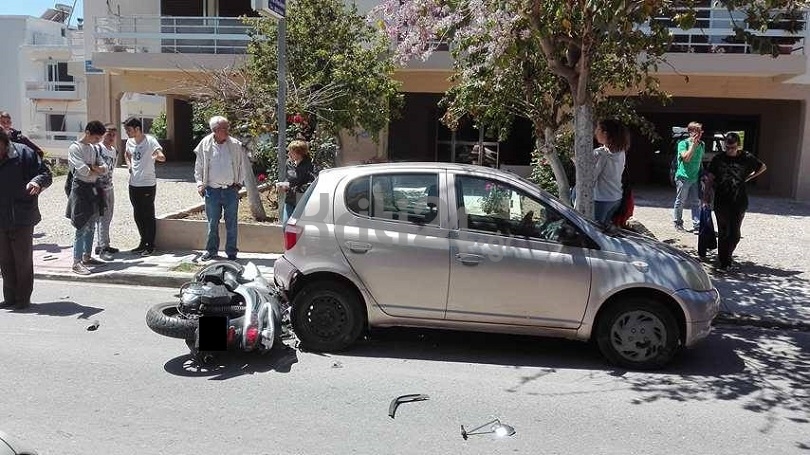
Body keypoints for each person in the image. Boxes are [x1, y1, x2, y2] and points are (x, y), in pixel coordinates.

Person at [0, 129, 52, 309]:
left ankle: (22, 299)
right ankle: (9, 297)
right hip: (1, 217)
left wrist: (37, 182)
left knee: (22, 260)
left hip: (22, 215)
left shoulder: (24, 153)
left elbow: (46, 174)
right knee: (5, 260)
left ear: (4, 142)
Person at [702, 131, 767, 272]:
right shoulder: (718, 159)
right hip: (721, 200)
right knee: (724, 232)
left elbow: (762, 167)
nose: (730, 150)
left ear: (738, 146)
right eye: (727, 147)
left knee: (735, 234)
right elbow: (710, 178)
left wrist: (749, 177)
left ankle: (727, 256)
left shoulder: (746, 157)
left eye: (733, 148)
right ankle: (723, 262)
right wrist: (706, 197)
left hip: (739, 200)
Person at [193, 116, 247, 261]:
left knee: (232, 223)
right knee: (212, 223)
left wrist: (239, 183)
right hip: (212, 190)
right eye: (224, 128)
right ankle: (211, 251)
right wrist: (199, 184)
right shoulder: (205, 145)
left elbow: (242, 165)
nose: (227, 130)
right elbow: (199, 167)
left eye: (227, 127)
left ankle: (231, 253)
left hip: (230, 190)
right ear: (215, 130)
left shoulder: (235, 144)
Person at [66, 120, 108, 276]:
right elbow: (83, 170)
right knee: (80, 225)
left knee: (92, 223)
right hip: (80, 189)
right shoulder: (75, 148)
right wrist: (95, 169)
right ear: (88, 133)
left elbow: (105, 167)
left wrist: (94, 169)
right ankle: (76, 262)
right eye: (96, 138)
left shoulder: (93, 149)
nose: (98, 141)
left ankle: (87, 256)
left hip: (93, 188)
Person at [124, 117, 165, 256]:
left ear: (137, 129)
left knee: (148, 214)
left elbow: (161, 155)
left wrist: (157, 156)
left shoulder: (150, 140)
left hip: (147, 184)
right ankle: (143, 241)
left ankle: (150, 245)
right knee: (138, 214)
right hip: (133, 183)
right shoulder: (129, 142)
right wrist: (129, 166)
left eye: (129, 130)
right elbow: (127, 154)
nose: (127, 133)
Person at [592, 119, 629, 225]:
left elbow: (590, 177)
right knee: (605, 228)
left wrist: (576, 163)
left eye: (598, 129)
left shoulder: (602, 154)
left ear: (605, 133)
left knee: (596, 231)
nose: (595, 132)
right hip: (615, 197)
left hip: (602, 198)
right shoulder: (621, 151)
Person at [673, 121, 705, 232]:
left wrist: (702, 175)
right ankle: (678, 223)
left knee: (696, 202)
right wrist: (692, 145)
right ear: (690, 132)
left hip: (695, 178)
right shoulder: (683, 144)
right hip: (683, 177)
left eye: (700, 132)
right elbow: (686, 158)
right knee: (681, 201)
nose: (699, 134)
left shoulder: (702, 144)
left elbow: (700, 161)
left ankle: (697, 225)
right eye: (696, 132)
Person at [94, 123, 119, 258]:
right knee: (102, 217)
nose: (111, 137)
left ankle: (104, 243)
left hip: (109, 186)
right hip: (98, 188)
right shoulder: (97, 149)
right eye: (109, 134)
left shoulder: (114, 151)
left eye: (114, 134)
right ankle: (102, 248)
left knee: (108, 216)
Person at [277, 140, 316, 226]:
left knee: (299, 228)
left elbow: (311, 184)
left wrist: (295, 188)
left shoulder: (310, 166)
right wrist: (284, 185)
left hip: (302, 200)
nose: (289, 154)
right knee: (286, 225)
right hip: (290, 200)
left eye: (292, 152)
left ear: (300, 153)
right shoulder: (289, 164)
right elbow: (289, 179)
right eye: (289, 151)